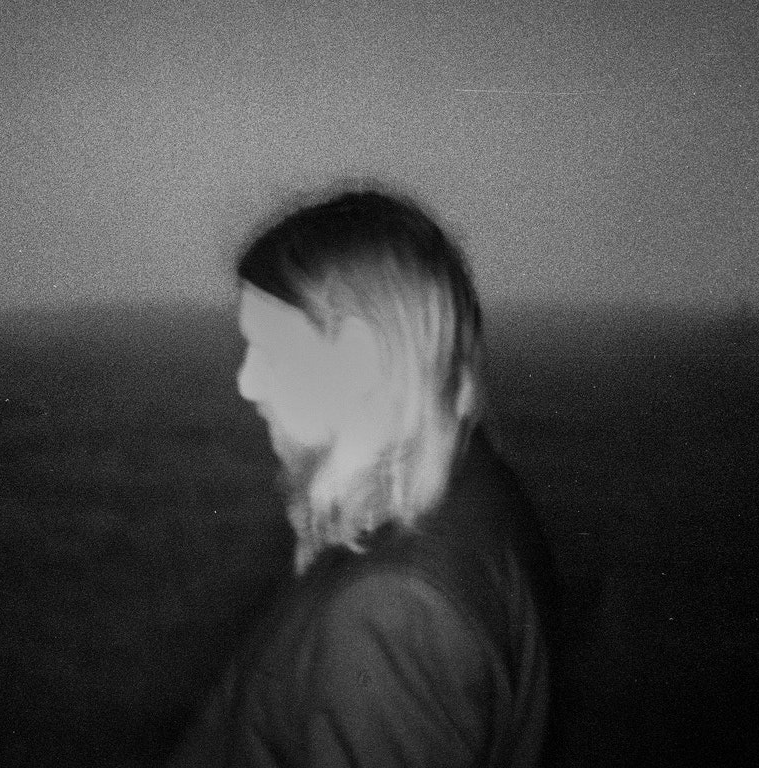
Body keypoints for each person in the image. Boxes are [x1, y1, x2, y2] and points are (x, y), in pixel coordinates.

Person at [170, 188, 555, 767]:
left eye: (267, 351)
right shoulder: (472, 485)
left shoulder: (390, 609)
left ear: (359, 358)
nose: (246, 383)